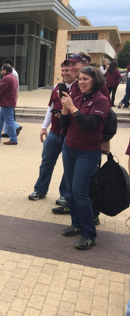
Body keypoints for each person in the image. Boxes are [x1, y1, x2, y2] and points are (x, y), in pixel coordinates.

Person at [59, 66, 109, 250]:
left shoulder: (101, 101)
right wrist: (65, 108)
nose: (81, 82)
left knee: (80, 191)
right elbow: (65, 124)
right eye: (79, 79)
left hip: (88, 152)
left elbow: (89, 125)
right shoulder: (77, 98)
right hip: (70, 148)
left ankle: (89, 234)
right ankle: (76, 223)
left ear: (95, 81)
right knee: (71, 190)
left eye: (85, 79)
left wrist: (71, 107)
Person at [28, 62, 80, 202]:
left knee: (68, 167)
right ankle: (40, 190)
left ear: (74, 71)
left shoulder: (79, 89)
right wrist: (44, 127)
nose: (64, 73)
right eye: (62, 70)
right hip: (54, 132)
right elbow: (50, 107)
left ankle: (65, 195)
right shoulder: (57, 87)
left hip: (69, 134)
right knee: (46, 162)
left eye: (67, 70)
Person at [0, 65, 19, 145]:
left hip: (6, 102)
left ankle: (13, 139)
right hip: (9, 102)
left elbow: (0, 89)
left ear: (5, 70)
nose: (1, 71)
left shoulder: (6, 78)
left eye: (2, 70)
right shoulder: (13, 78)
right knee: (1, 119)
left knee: (9, 121)